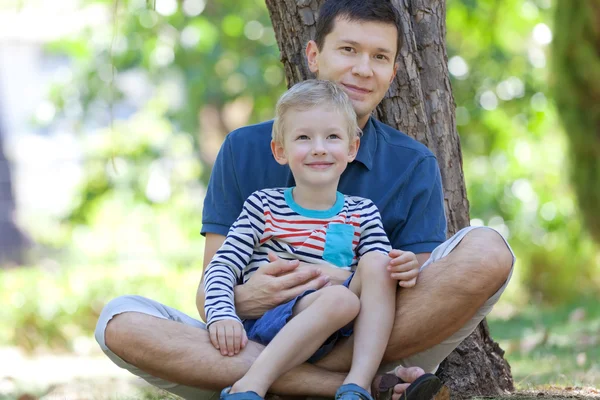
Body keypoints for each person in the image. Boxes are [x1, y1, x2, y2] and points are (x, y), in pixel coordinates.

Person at [94, 1, 515, 399]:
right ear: (314, 55)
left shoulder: (413, 164)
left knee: (488, 250)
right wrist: (248, 298)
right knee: (119, 321)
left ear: (393, 71)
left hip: (359, 334)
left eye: (380, 57)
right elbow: (211, 288)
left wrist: (390, 272)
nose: (363, 69)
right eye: (348, 50)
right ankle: (353, 387)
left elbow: (415, 299)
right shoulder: (244, 149)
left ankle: (281, 381)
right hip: (256, 332)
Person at [205, 79, 401, 400]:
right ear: (280, 151)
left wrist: (399, 267)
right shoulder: (263, 206)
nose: (319, 147)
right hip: (273, 322)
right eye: (303, 137)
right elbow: (221, 267)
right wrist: (223, 314)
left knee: (377, 262)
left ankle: (357, 384)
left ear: (352, 148)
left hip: (340, 329)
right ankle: (249, 385)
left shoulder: (363, 212)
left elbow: (377, 277)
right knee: (342, 299)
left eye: (333, 137)